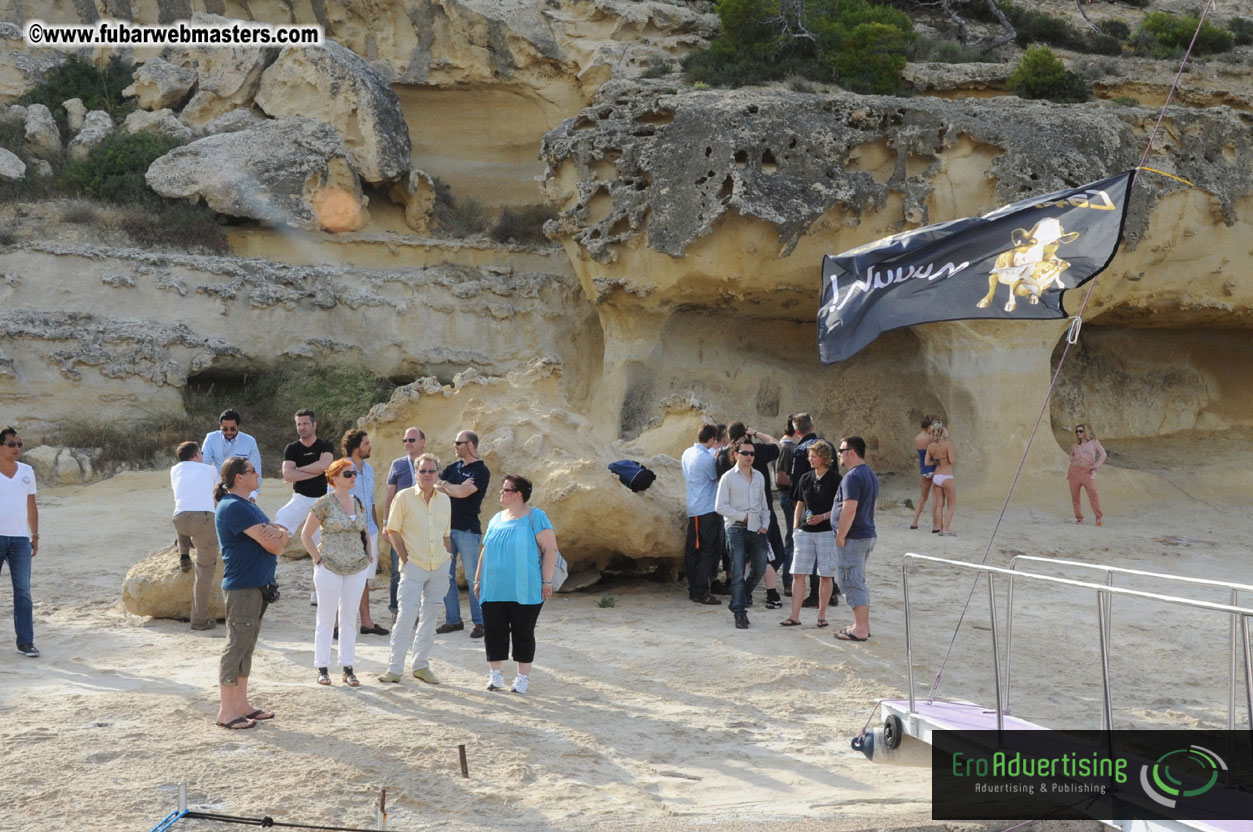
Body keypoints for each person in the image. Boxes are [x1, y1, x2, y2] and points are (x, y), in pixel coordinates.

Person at [214, 457, 289, 729]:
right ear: (239, 477)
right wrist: (277, 538)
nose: (258, 474)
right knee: (236, 646)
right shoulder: (234, 507)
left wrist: (276, 536)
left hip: (257, 584)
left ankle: (241, 705)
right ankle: (226, 711)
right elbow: (276, 545)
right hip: (243, 585)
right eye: (252, 471)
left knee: (247, 645)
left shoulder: (248, 506)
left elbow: (281, 534)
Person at [472, 474, 558, 694]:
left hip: (526, 587)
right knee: (494, 630)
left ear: (518, 494)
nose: (501, 493)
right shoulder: (496, 519)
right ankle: (496, 675)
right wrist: (478, 578)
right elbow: (485, 550)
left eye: (506, 490)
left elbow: (550, 549)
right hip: (494, 587)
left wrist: (547, 581)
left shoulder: (536, 517)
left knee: (523, 631)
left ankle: (522, 677)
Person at [379, 453, 452, 685]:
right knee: (406, 616)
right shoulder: (403, 497)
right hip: (413, 566)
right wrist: (405, 559)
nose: (428, 475)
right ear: (416, 473)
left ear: (438, 473)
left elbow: (445, 534)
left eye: (432, 471)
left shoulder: (445, 500)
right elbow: (393, 531)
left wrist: (448, 558)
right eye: (423, 471)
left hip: (439, 565)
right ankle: (394, 669)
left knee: (430, 618)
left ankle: (421, 666)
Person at [301, 458, 372, 687]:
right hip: (329, 566)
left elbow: (365, 531)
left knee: (349, 618)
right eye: (347, 474)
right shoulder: (324, 503)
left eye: (353, 474)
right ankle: (322, 667)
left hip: (356, 566)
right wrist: (318, 559)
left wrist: (369, 555)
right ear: (334, 479)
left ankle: (348, 667)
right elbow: (305, 535)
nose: (352, 477)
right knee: (326, 617)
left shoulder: (358, 502)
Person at [718, 422, 784, 609]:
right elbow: (777, 445)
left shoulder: (722, 456)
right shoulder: (758, 450)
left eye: (750, 454)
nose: (749, 456)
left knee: (746, 561)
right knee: (766, 556)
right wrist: (756, 433)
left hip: (740, 518)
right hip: (752, 517)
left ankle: (745, 595)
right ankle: (770, 594)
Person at [273, 409, 334, 604]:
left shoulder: (325, 444)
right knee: (277, 527)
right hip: (300, 498)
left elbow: (325, 465)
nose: (302, 427)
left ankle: (319, 592)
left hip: (322, 500)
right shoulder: (292, 448)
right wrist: (314, 470)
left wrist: (299, 470)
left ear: (314, 425)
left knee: (320, 548)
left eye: (305, 423)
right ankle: (267, 579)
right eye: (299, 424)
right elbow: (287, 475)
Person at [435, 430, 491, 637]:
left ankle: (481, 622)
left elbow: (462, 493)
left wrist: (447, 487)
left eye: (459, 442)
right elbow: (435, 484)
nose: (455, 446)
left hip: (467, 529)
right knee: (445, 576)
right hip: (446, 530)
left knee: (472, 577)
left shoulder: (481, 471)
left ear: (471, 445)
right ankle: (453, 620)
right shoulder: (453, 468)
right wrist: (451, 486)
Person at [781, 440, 840, 628]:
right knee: (798, 573)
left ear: (823, 457)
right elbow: (799, 503)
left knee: (825, 575)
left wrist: (823, 517)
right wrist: (795, 528)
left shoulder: (836, 480)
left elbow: (841, 508)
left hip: (826, 532)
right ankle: (794, 615)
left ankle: (821, 616)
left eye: (813, 456)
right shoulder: (805, 477)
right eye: (809, 456)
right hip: (805, 533)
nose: (810, 459)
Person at [715, 441, 770, 629]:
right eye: (745, 453)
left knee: (760, 568)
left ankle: (738, 598)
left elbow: (764, 505)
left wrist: (765, 524)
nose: (749, 456)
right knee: (737, 570)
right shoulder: (728, 478)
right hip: (736, 528)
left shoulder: (760, 477)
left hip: (757, 528)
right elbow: (719, 506)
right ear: (735, 454)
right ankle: (740, 612)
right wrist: (743, 516)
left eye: (752, 453)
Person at [170, 441, 221, 630]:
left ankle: (183, 555)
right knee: (205, 571)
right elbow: (218, 491)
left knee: (183, 511)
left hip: (180, 520)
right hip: (202, 521)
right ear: (198, 455)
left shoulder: (174, 470)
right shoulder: (209, 470)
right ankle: (199, 620)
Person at [833, 437, 878, 642]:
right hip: (865, 534)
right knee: (857, 579)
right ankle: (862, 625)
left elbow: (849, 509)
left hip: (854, 536)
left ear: (852, 452)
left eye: (842, 450)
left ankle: (860, 628)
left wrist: (841, 535)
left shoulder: (853, 477)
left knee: (850, 581)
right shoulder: (868, 473)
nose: (839, 454)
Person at [343, 429, 387, 636]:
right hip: (350, 533)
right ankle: (340, 624)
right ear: (355, 446)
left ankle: (367, 623)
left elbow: (371, 502)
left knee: (364, 578)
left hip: (369, 530)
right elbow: (333, 500)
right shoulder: (341, 468)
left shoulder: (369, 470)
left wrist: (375, 529)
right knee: (345, 578)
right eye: (366, 443)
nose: (370, 447)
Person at [0, 427, 39, 658]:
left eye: (19, 445)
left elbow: (31, 504)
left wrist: (35, 535)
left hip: (20, 540)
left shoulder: (27, 471)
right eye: (12, 444)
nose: (17, 448)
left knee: (23, 592)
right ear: (1, 446)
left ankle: (25, 643)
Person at [383, 427, 425, 617]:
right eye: (405, 440)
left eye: (412, 440)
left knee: (423, 568)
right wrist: (386, 523)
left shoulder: (430, 464)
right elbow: (389, 496)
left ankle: (417, 610)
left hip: (423, 526)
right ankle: (396, 609)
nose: (408, 443)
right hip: (399, 526)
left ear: (422, 442)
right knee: (398, 570)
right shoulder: (398, 464)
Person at [681, 424, 723, 606]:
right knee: (707, 551)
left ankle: (695, 588)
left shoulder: (687, 453)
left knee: (693, 551)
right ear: (713, 438)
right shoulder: (705, 458)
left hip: (695, 506)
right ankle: (699, 590)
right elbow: (717, 477)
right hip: (706, 509)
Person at [788, 413, 827, 608]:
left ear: (796, 431)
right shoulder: (827, 446)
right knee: (824, 550)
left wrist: (796, 505)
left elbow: (797, 482)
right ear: (813, 425)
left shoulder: (801, 449)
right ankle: (828, 589)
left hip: (806, 503)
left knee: (804, 549)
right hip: (826, 503)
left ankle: (809, 591)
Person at [201, 409, 262, 501]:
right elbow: (203, 465)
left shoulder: (249, 441)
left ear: (238, 426)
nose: (228, 432)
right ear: (220, 426)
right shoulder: (211, 438)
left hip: (241, 489)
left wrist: (253, 495)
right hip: (217, 489)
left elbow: (256, 468)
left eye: (232, 429)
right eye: (224, 429)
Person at [1068, 424, 1108, 526]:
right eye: (1077, 431)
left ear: (1086, 432)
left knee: (1093, 493)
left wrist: (1095, 465)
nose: (1078, 433)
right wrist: (1073, 459)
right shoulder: (1075, 445)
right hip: (1074, 472)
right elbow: (1071, 455)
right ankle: (1079, 518)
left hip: (1086, 472)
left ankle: (1098, 517)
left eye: (1081, 431)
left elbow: (1103, 454)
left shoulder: (1094, 443)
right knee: (1075, 497)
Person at [776, 416, 797, 591]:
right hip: (789, 496)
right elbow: (781, 477)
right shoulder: (787, 448)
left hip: (791, 496)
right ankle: (788, 581)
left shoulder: (789, 447)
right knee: (792, 538)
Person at [925, 421, 957, 536]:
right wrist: (947, 439)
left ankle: (940, 527)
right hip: (947, 476)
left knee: (939, 505)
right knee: (951, 504)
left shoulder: (931, 446)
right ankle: (946, 529)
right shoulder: (948, 444)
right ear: (943, 431)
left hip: (937, 476)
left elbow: (926, 462)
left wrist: (937, 461)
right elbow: (952, 460)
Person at [910, 416, 937, 531]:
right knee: (936, 498)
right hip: (934, 467)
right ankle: (935, 525)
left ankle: (914, 522)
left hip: (924, 469)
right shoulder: (931, 438)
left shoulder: (917, 438)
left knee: (923, 497)